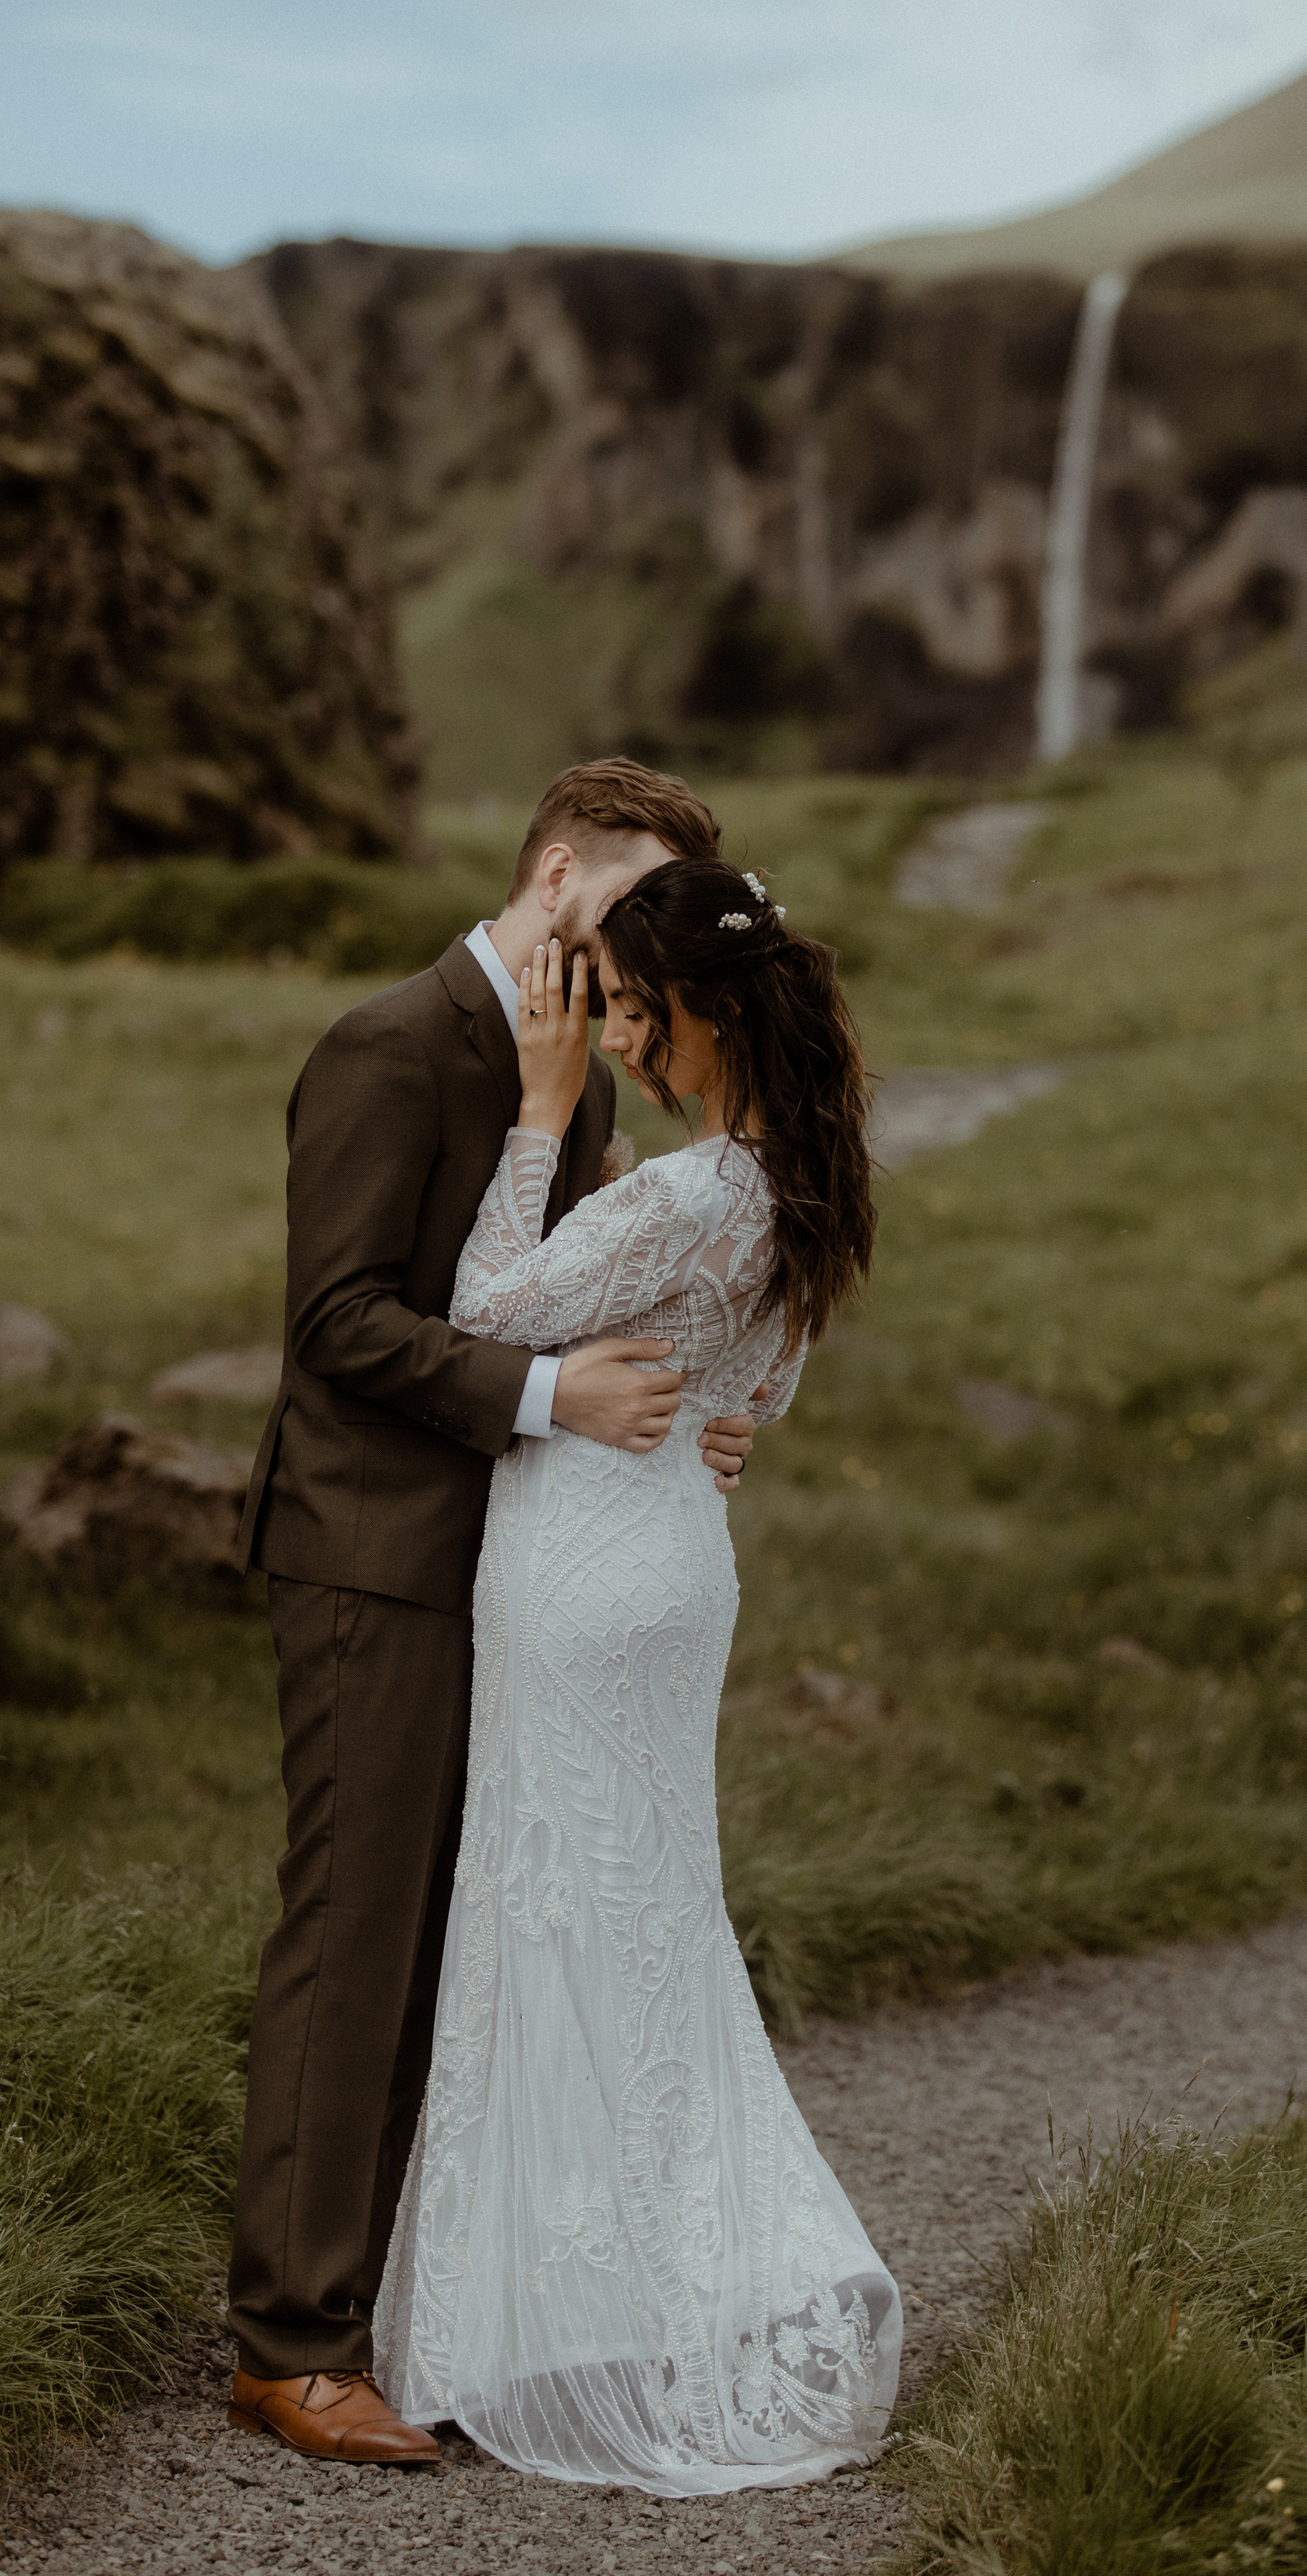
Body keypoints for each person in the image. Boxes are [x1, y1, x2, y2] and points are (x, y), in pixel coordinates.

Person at [227, 761, 763, 2468]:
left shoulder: (571, 1058)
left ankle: (403, 2308)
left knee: (457, 1944)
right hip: (373, 1557)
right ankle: (289, 2349)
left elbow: (580, 1287)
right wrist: (551, 1400)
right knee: (356, 1935)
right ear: (550, 880)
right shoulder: (388, 1045)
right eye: (626, 903)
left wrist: (694, 1408)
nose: (641, 942)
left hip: (521, 1571)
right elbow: (336, 1323)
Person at [373, 856, 901, 2492]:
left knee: (555, 1916)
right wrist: (712, 1411)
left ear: (707, 1013)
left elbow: (482, 1309)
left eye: (626, 1010)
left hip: (584, 1577)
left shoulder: (682, 1199)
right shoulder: (795, 1183)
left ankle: (540, 2315)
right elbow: (759, 1399)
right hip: (676, 1560)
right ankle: (610, 2291)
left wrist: (540, 1121)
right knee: (647, 1921)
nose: (607, 1037)